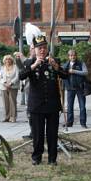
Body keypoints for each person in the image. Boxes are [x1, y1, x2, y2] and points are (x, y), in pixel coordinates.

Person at [19, 28, 67, 166]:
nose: (42, 50)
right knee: (37, 134)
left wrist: (56, 67)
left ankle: (52, 158)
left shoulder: (54, 60)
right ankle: (37, 157)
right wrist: (34, 65)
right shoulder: (30, 62)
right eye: (39, 48)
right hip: (37, 105)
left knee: (52, 134)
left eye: (44, 47)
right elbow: (21, 76)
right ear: (34, 49)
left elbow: (65, 75)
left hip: (52, 105)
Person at [62, 48, 88, 128]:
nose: (73, 57)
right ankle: (69, 123)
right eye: (71, 55)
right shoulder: (66, 65)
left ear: (76, 56)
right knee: (70, 107)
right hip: (70, 89)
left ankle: (83, 123)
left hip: (80, 88)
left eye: (74, 55)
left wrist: (74, 71)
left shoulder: (81, 63)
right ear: (68, 56)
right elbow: (62, 75)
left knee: (82, 106)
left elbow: (85, 72)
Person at [0, 55, 19, 122]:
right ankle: (7, 117)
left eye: (9, 59)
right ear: (4, 61)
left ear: (12, 60)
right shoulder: (2, 68)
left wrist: (11, 83)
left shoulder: (15, 67)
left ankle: (13, 117)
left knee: (12, 102)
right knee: (5, 103)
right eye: (6, 59)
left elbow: (17, 76)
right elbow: (0, 77)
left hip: (13, 86)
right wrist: (4, 83)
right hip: (3, 87)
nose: (8, 60)